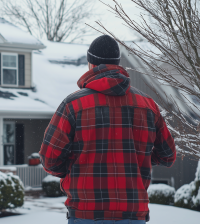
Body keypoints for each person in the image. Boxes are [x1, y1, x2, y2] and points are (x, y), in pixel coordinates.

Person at [39, 35, 176, 224]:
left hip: (85, 213)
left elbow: (50, 160)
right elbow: (168, 155)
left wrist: (77, 165)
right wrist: (137, 158)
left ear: (91, 64)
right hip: (132, 214)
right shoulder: (147, 105)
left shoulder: (73, 104)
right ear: (117, 64)